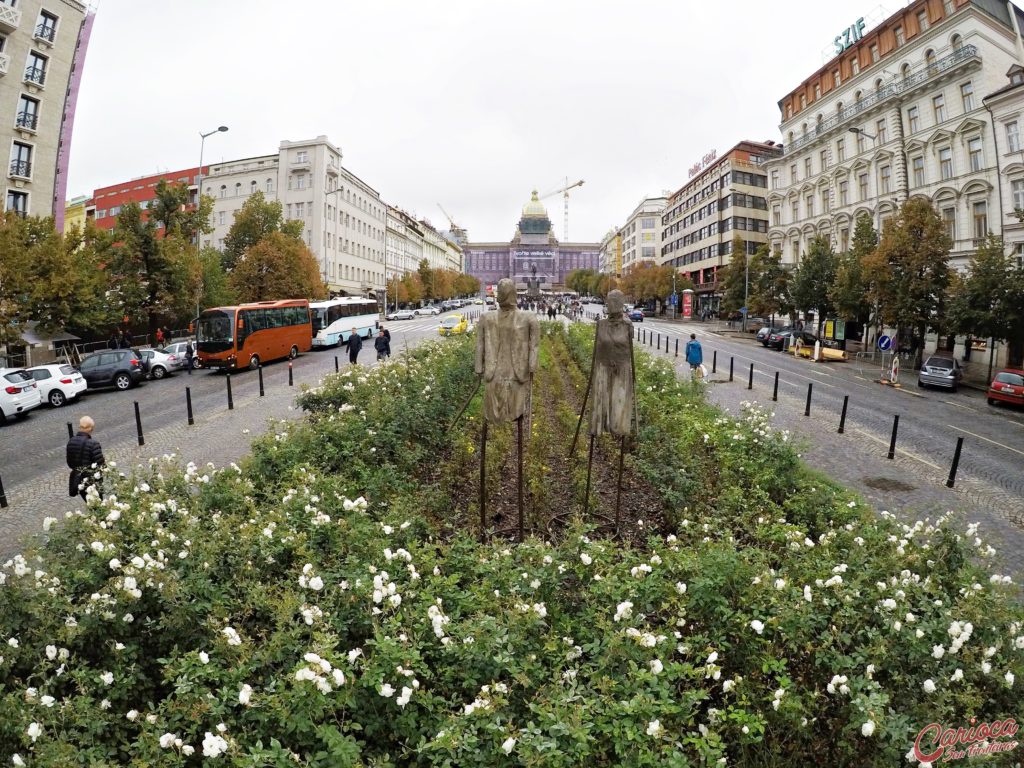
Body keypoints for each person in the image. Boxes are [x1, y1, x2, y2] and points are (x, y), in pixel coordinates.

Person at [66, 416, 105, 500]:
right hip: (92, 481)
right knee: (98, 503)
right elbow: (100, 465)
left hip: (79, 481)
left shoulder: (71, 442)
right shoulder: (93, 444)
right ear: (90, 428)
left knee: (89, 502)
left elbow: (70, 463)